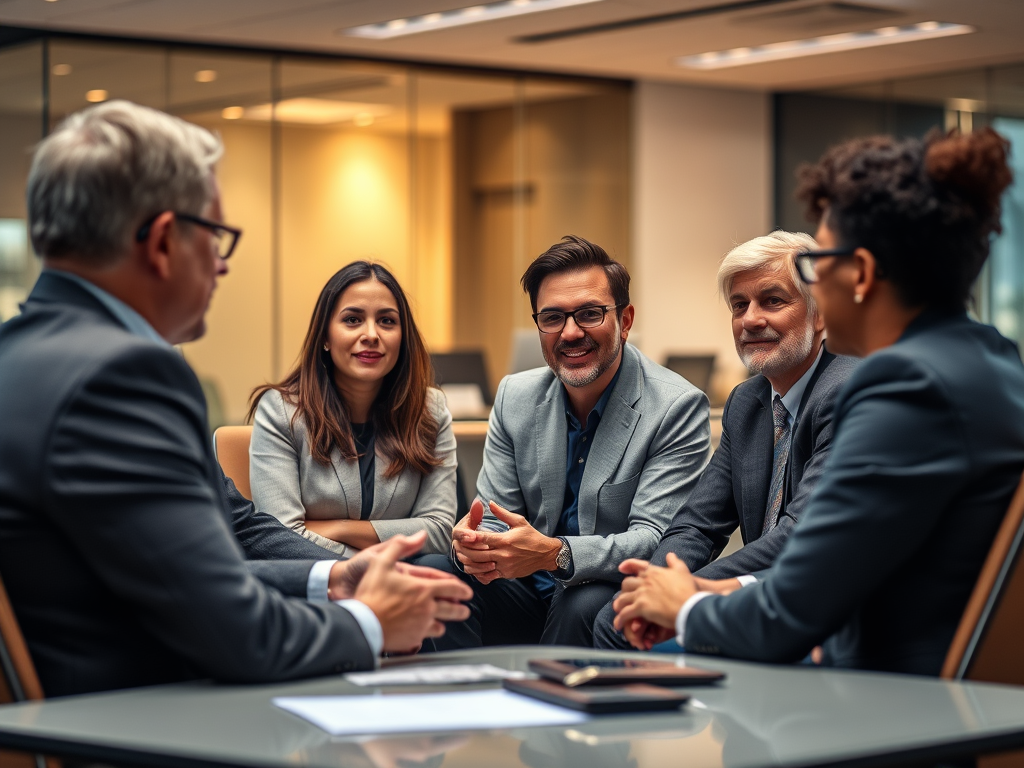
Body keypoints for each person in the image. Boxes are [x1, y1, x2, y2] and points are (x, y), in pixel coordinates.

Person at [0, 100, 471, 697]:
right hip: (135, 716)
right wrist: (369, 622)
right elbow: (237, 630)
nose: (221, 268)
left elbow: (236, 524)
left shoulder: (23, 353)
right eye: (217, 237)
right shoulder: (121, 375)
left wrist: (334, 575)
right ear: (165, 241)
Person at [612, 128, 1024, 675]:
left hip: (892, 705)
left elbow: (788, 612)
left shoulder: (905, 388)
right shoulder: (991, 357)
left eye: (814, 266)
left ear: (861, 274)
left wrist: (685, 607)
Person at [422, 235, 711, 648]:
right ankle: (462, 704)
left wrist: (554, 553)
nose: (571, 333)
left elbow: (654, 541)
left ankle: (555, 707)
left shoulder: (675, 406)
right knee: (439, 572)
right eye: (553, 317)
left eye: (590, 314)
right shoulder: (514, 396)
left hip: (601, 592)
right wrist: (476, 545)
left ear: (625, 320)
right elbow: (490, 516)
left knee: (582, 599)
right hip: (524, 590)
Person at [593, 230, 856, 649]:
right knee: (612, 616)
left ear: (819, 313)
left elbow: (797, 533)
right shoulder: (747, 402)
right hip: (755, 588)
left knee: (637, 623)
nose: (751, 319)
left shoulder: (847, 390)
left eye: (773, 300)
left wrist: (687, 592)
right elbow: (699, 524)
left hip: (812, 602)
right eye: (739, 305)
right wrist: (654, 581)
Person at [249, 262, 456, 558]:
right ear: (324, 337)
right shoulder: (282, 411)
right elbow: (281, 538)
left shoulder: (430, 410)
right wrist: (373, 566)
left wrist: (340, 528)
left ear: (403, 337)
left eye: (386, 321)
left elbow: (439, 530)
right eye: (352, 320)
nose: (371, 334)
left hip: (409, 581)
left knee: (440, 566)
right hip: (320, 583)